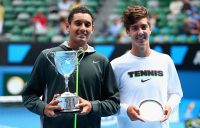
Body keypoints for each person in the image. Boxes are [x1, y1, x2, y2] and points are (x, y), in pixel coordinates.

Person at [22, 6, 120, 128]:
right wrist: (44, 108)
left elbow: (113, 103)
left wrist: (92, 106)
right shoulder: (48, 56)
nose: (83, 28)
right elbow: (29, 95)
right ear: (67, 27)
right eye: (78, 23)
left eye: (87, 24)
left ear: (92, 29)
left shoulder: (102, 61)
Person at [111, 5, 183, 128]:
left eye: (144, 27)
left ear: (150, 28)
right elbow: (109, 103)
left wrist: (170, 106)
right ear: (128, 31)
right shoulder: (116, 65)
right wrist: (126, 110)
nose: (140, 32)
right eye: (135, 28)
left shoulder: (165, 60)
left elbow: (176, 93)